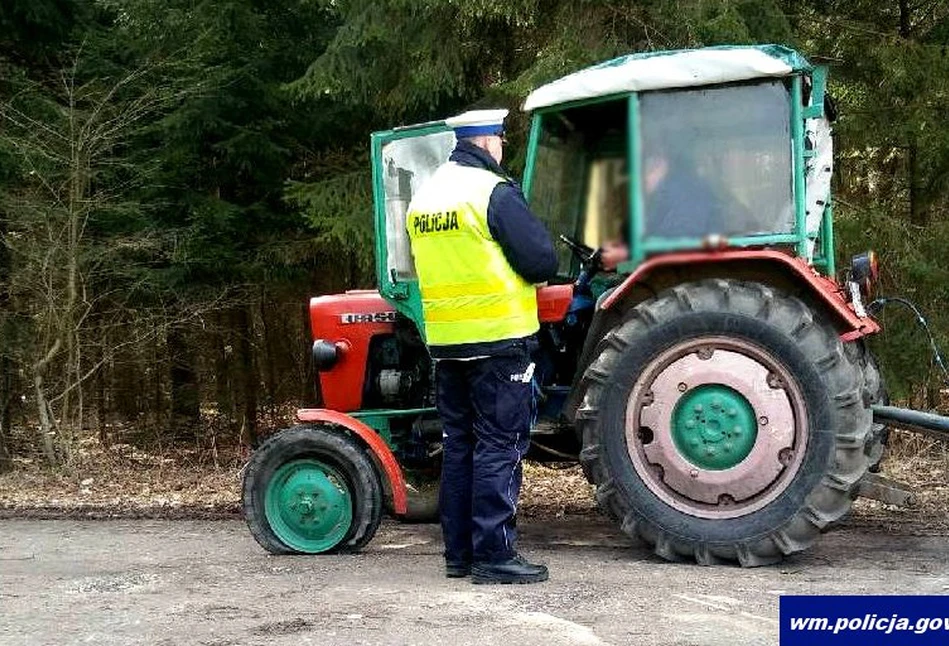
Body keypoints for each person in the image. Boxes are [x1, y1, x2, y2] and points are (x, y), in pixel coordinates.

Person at [406, 109, 558, 585]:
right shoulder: (490, 193)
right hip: (498, 341)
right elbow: (540, 262)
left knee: (459, 447)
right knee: (499, 446)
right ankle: (494, 556)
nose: (502, 149)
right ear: (487, 143)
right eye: (500, 141)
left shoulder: (424, 198)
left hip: (448, 344)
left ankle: (460, 556)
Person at [598, 151, 726, 270]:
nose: (641, 180)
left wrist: (627, 255)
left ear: (662, 164)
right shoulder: (655, 203)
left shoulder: (685, 195)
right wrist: (621, 246)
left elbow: (684, 244)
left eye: (646, 170)